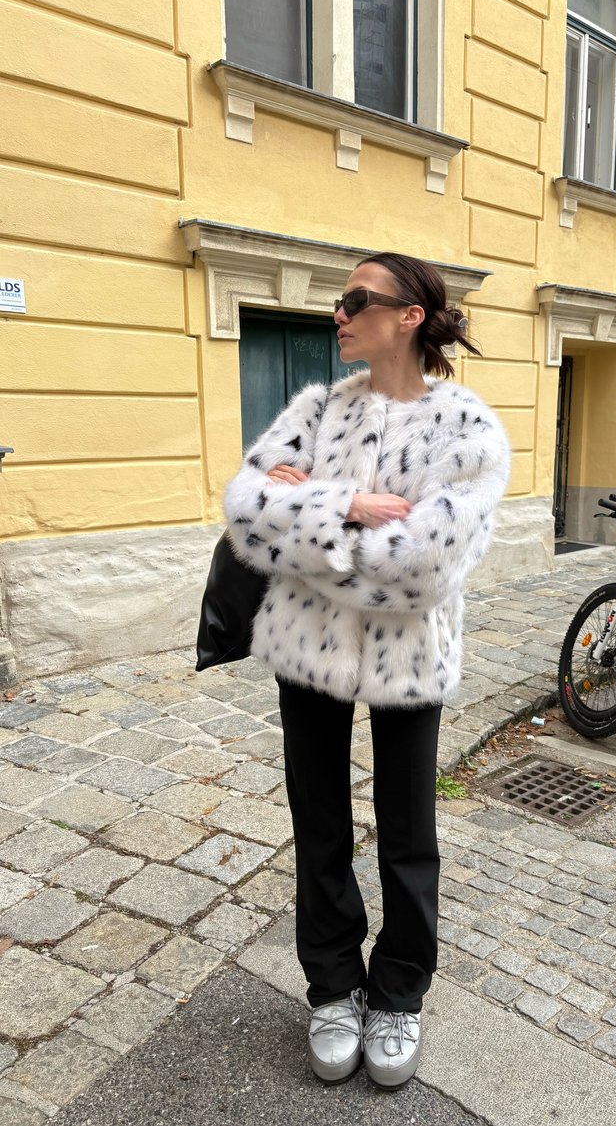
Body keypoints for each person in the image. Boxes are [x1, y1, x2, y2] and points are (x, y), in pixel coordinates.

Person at [223, 252, 510, 1089]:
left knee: (408, 834)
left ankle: (398, 992)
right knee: (318, 823)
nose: (338, 315)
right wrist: (343, 504)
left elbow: (422, 572)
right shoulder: (315, 411)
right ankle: (334, 987)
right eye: (339, 302)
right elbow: (246, 511)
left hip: (411, 659)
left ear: (410, 315)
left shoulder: (468, 430)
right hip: (306, 654)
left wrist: (302, 516)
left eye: (355, 300)